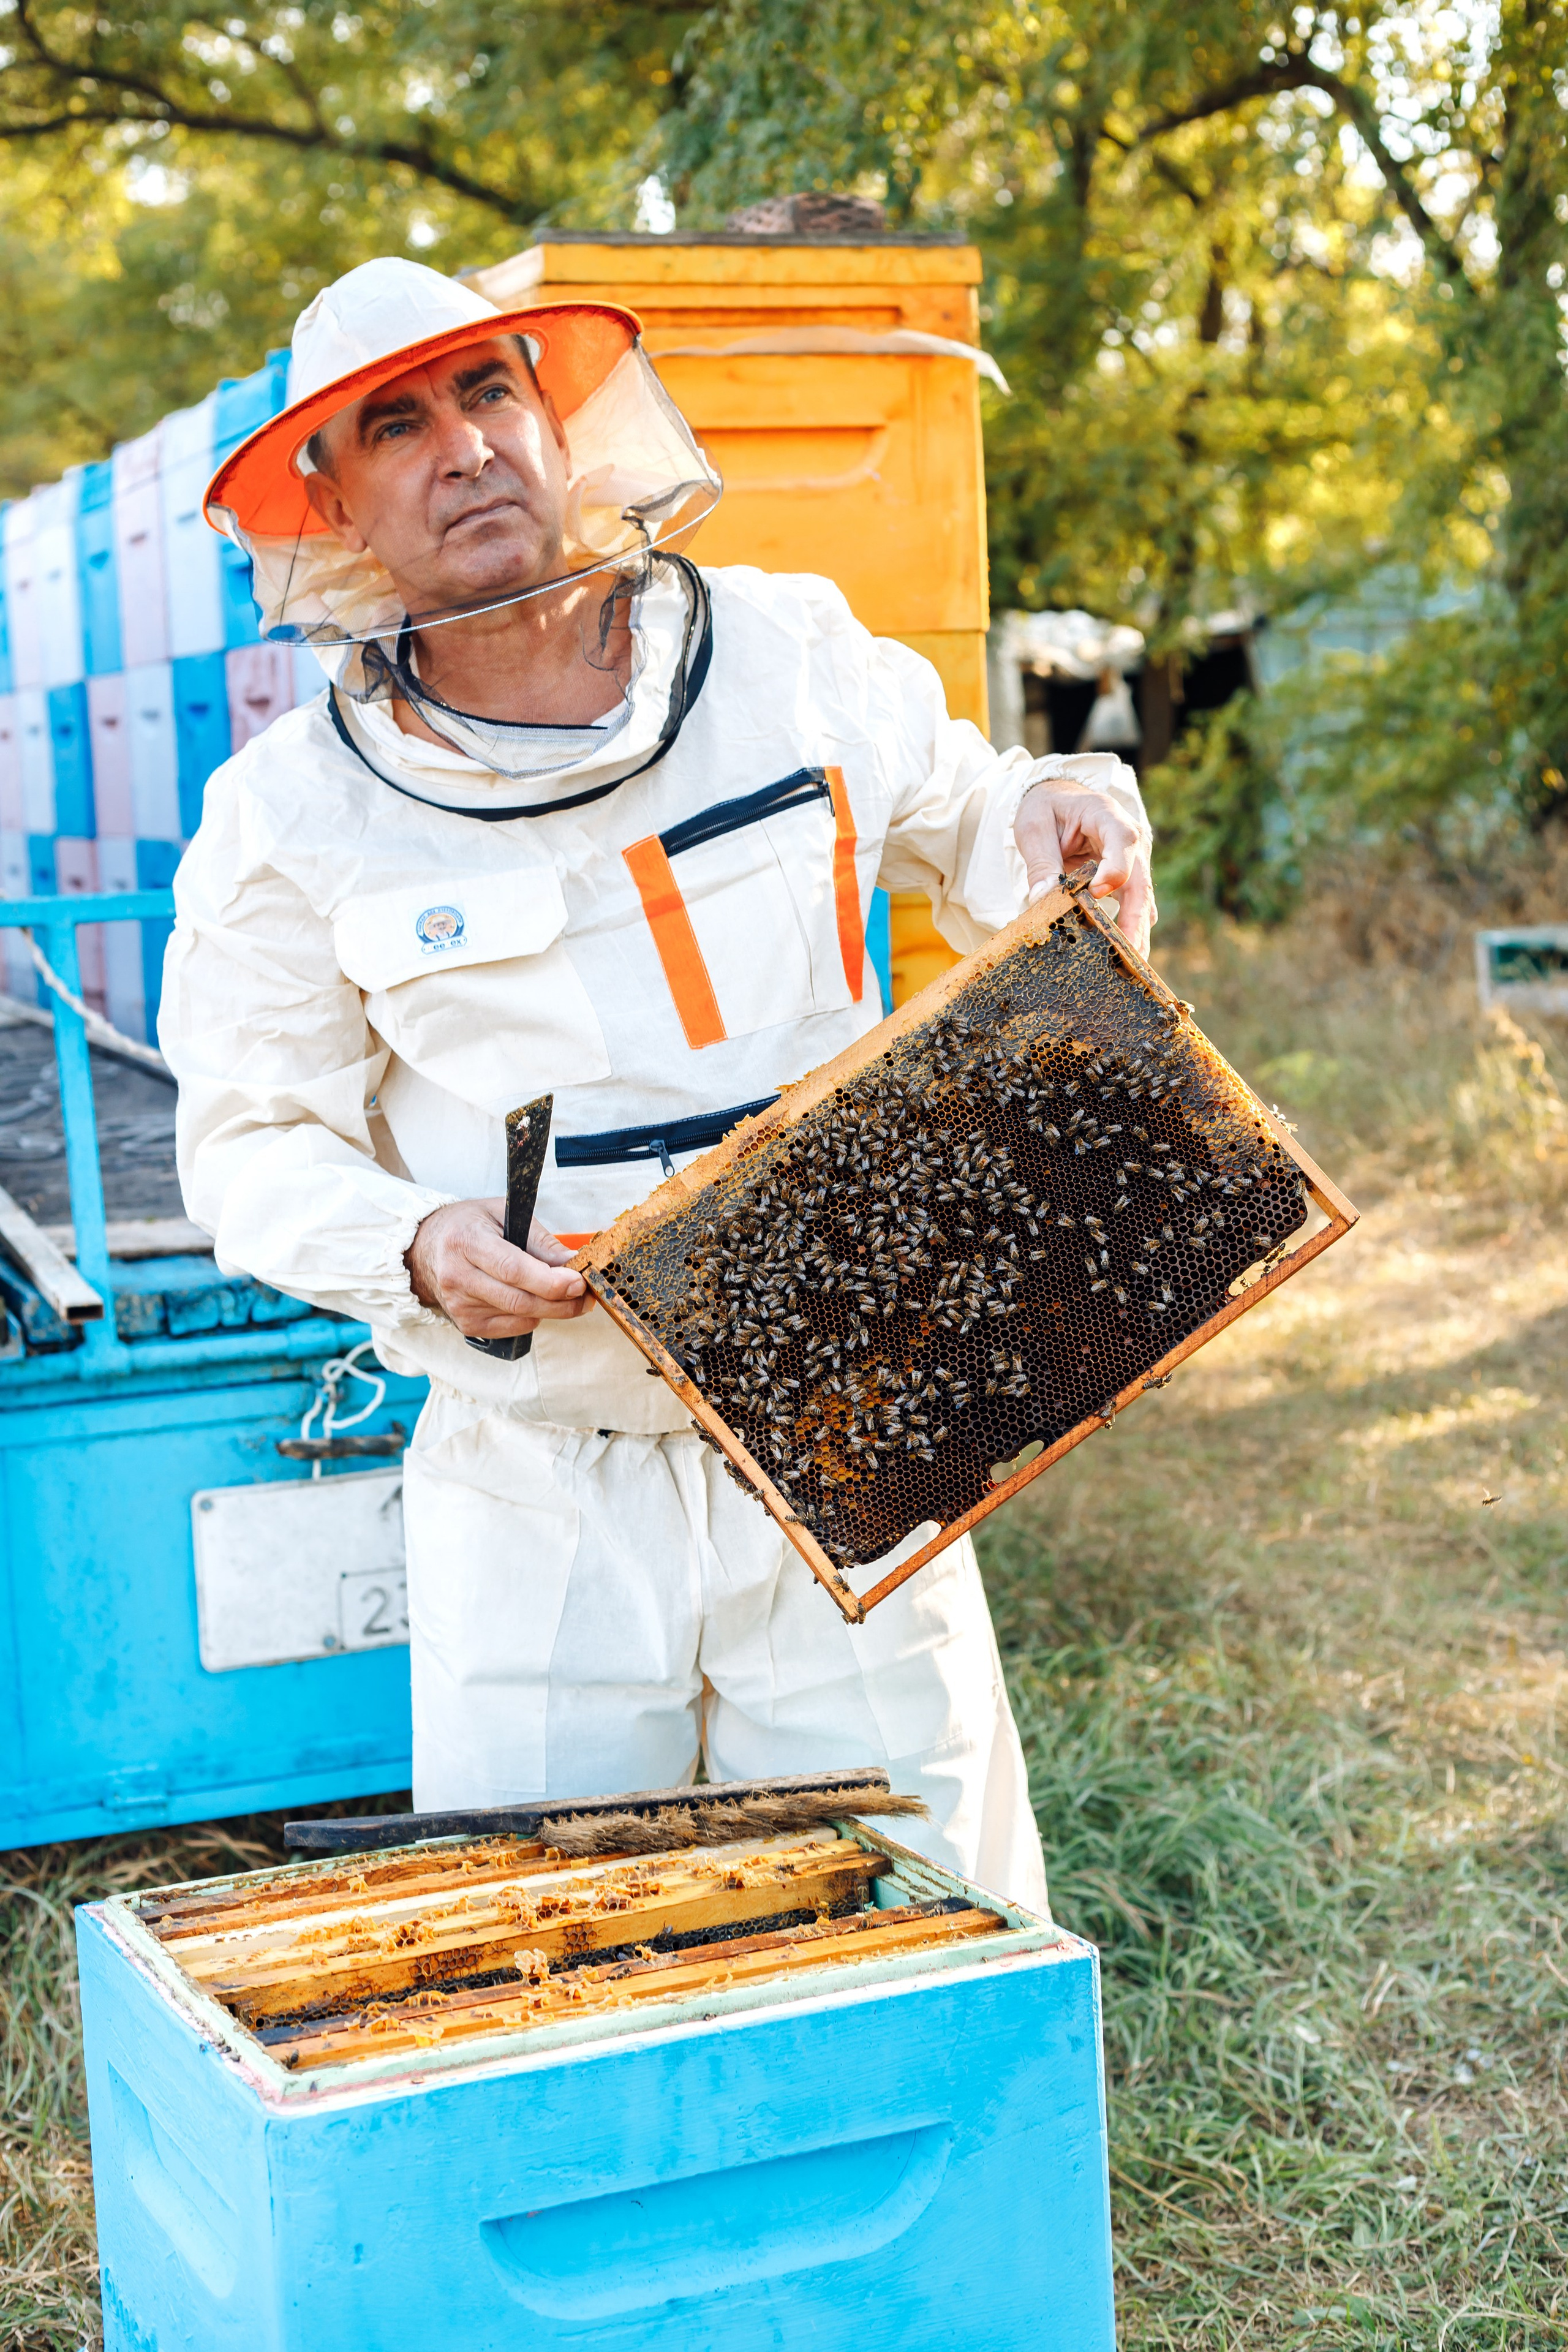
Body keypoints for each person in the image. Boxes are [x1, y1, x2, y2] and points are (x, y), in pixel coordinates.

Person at [164, 258, 1155, 1911]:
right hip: (541, 1473)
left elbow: (973, 814)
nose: (464, 446)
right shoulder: (290, 819)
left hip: (849, 1415)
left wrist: (1059, 806)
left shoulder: (784, 647)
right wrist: (406, 1238)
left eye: (490, 393)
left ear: (558, 420)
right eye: (396, 424)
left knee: (920, 1915)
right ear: (330, 499)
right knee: (570, 1953)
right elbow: (250, 1143)